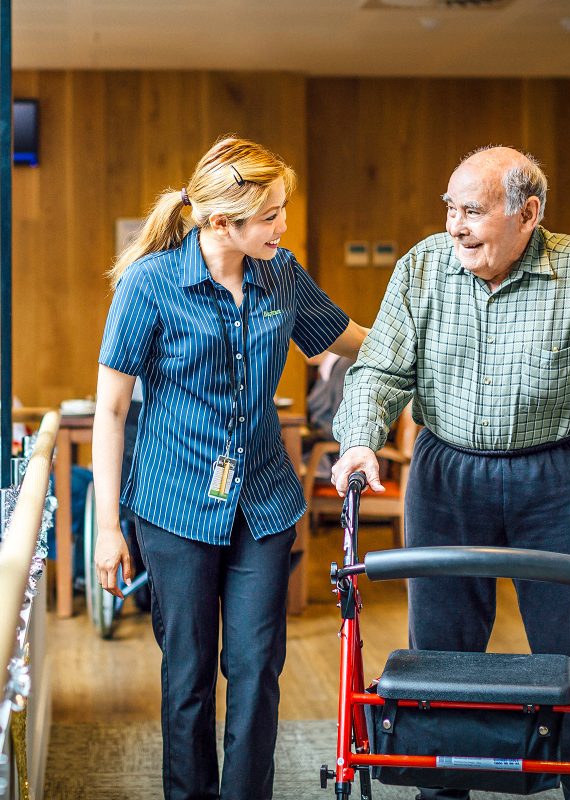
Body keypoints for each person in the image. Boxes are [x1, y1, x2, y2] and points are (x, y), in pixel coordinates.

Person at [92, 135, 366, 800]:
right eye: (270, 214)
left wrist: (424, 342)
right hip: (175, 505)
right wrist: (107, 528)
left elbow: (349, 338)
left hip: (265, 504)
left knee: (254, 669)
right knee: (186, 676)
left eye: (282, 210)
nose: (283, 225)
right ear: (220, 222)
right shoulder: (150, 285)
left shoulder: (280, 273)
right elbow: (111, 411)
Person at [332, 145, 570, 800]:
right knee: (440, 650)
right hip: (447, 472)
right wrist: (361, 440)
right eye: (450, 207)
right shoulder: (424, 266)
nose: (455, 225)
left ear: (527, 213)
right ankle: (440, 788)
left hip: (559, 477)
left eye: (473, 211)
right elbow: (381, 370)